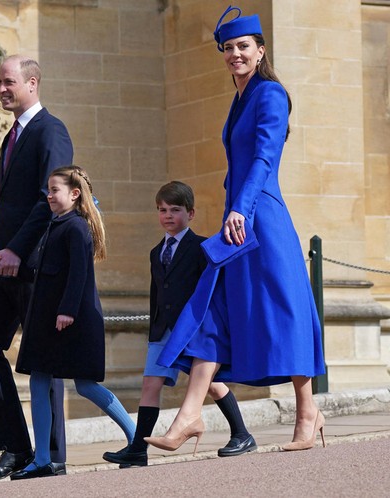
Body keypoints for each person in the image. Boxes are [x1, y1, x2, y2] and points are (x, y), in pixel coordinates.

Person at [145, 6, 326, 455]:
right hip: (239, 218)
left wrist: (240, 209)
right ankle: (189, 416)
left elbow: (264, 159)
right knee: (210, 311)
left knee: (285, 312)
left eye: (243, 46)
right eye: (228, 48)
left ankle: (308, 413)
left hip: (261, 219)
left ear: (260, 49)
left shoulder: (269, 95)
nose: (235, 54)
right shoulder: (239, 97)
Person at [103, 181, 256, 467]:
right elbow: (156, 295)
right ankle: (138, 449)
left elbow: (211, 292)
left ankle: (242, 434)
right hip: (163, 330)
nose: (168, 215)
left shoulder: (201, 248)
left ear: (191, 213)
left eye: (175, 209)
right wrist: (153, 332)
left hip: (193, 328)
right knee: (150, 383)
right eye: (162, 210)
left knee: (209, 384)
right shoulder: (154, 252)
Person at [0, 55, 73, 482]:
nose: (0, 90)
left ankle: (51, 456)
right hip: (4, 264)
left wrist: (17, 249)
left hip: (34, 263)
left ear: (33, 82)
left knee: (41, 356)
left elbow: (48, 199)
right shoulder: (10, 137)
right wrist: (2, 253)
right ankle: (15, 448)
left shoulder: (52, 131)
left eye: (8, 82)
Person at [12, 165, 136, 479]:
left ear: (74, 193)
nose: (49, 196)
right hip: (47, 321)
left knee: (86, 385)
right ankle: (42, 459)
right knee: (38, 381)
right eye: (49, 190)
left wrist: (67, 311)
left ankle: (137, 439)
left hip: (69, 321)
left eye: (55, 190)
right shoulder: (58, 224)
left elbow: (79, 273)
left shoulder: (76, 227)